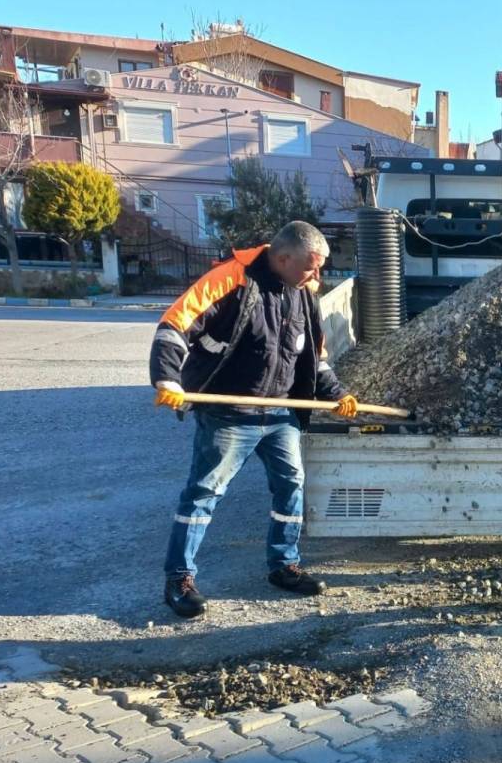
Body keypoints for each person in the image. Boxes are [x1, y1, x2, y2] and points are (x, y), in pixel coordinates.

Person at [150, 221, 361, 618]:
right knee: (204, 494)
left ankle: (284, 566)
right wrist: (167, 379)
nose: (318, 277)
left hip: (280, 413)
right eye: (310, 268)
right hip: (230, 413)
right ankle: (179, 579)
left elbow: (313, 356)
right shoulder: (230, 280)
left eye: (319, 269)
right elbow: (174, 326)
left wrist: (337, 394)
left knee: (291, 486)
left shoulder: (303, 292)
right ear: (282, 259)